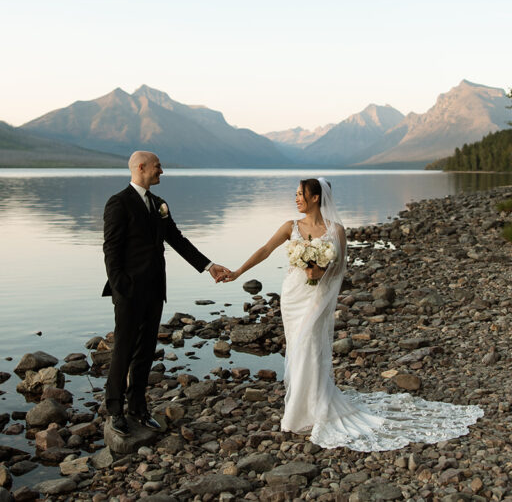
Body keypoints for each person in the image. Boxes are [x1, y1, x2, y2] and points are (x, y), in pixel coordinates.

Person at [217, 177, 482, 451]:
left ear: (316, 197)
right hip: (293, 295)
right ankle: (301, 405)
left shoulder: (337, 231)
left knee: (311, 344)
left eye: (300, 194)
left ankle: (311, 408)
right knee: (297, 346)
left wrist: (320, 273)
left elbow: (341, 270)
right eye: (295, 194)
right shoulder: (290, 227)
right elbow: (265, 250)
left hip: (317, 296)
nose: (295, 199)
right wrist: (237, 272)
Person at [102, 150, 230, 436]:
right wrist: (121, 288)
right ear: (142, 167)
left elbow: (177, 240)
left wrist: (208, 265)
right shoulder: (118, 203)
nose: (162, 171)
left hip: (155, 289)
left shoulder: (160, 204)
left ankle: (138, 409)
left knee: (146, 351)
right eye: (158, 166)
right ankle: (114, 411)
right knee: (123, 350)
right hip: (129, 291)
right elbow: (111, 250)